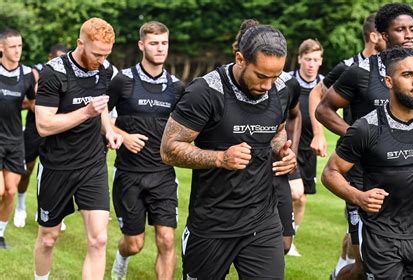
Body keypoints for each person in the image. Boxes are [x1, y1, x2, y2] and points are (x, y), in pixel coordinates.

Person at [161, 24, 296, 279]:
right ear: (240, 59)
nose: (268, 85)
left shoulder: (280, 91)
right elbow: (169, 150)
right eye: (260, 76)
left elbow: (277, 131)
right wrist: (220, 158)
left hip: (262, 220)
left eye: (275, 76)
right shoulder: (205, 92)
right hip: (212, 224)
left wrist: (283, 151)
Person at [316, 4, 413, 279]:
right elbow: (323, 109)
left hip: (406, 185)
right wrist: (357, 139)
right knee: (365, 265)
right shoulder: (360, 73)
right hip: (362, 179)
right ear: (382, 34)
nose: (409, 35)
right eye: (400, 29)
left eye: (412, 29)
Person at [33, 18, 122, 280]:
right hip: (56, 167)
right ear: (79, 43)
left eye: (107, 53)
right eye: (96, 53)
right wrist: (85, 112)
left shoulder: (105, 70)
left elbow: (102, 105)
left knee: (98, 240)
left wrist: (110, 131)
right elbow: (44, 126)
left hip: (92, 166)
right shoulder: (54, 72)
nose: (101, 60)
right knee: (48, 238)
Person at [308, 13, 385, 279]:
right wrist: (323, 134)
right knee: (366, 259)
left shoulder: (396, 69)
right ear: (375, 36)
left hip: (389, 164)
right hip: (356, 163)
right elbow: (317, 94)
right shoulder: (351, 67)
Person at [108, 21, 185, 280]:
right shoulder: (123, 80)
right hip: (129, 174)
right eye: (154, 43)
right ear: (142, 45)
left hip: (163, 174)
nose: (160, 48)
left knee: (166, 239)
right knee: (134, 244)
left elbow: (185, 128)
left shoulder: (177, 87)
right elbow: (102, 119)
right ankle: (122, 257)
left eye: (164, 43)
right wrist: (124, 136)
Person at [233, 18, 302, 255]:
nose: (266, 84)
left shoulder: (287, 86)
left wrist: (288, 150)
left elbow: (292, 117)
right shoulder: (221, 86)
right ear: (240, 52)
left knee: (283, 243)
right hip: (234, 178)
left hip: (273, 170)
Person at [13, 44, 67, 230]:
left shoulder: (69, 74)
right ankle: (20, 205)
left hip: (58, 128)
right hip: (34, 128)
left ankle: (48, 210)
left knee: (53, 171)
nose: (59, 61)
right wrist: (39, 106)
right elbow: (28, 101)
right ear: (49, 56)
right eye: (56, 57)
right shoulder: (37, 72)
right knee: (27, 168)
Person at [286, 38, 324, 257]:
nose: (311, 63)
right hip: (289, 146)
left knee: (302, 198)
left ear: (321, 61)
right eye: (307, 59)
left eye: (316, 59)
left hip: (309, 150)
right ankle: (279, 234)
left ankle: (290, 239)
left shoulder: (324, 85)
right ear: (300, 59)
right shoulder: (288, 81)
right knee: (294, 192)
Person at [0, 28, 36, 249]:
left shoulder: (28, 74)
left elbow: (33, 103)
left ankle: (0, 234)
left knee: (11, 191)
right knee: (0, 190)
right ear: (1, 47)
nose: (17, 50)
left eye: (20, 46)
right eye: (13, 46)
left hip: (15, 140)